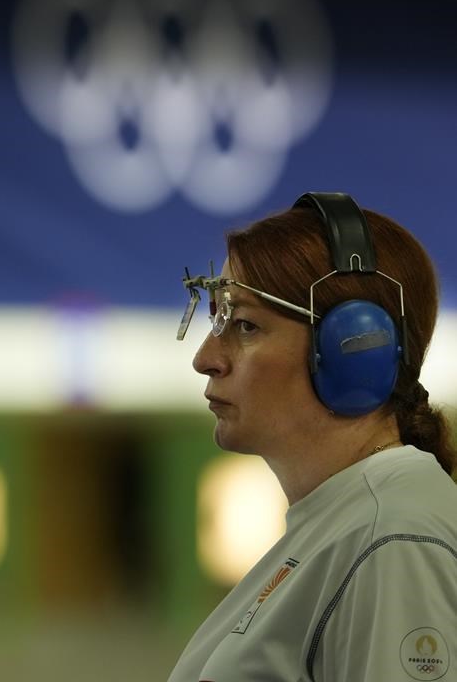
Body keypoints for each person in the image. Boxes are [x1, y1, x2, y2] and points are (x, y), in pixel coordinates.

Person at [168, 192, 457, 682]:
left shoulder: (392, 539)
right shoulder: (350, 524)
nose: (206, 357)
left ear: (355, 350)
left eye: (244, 324)